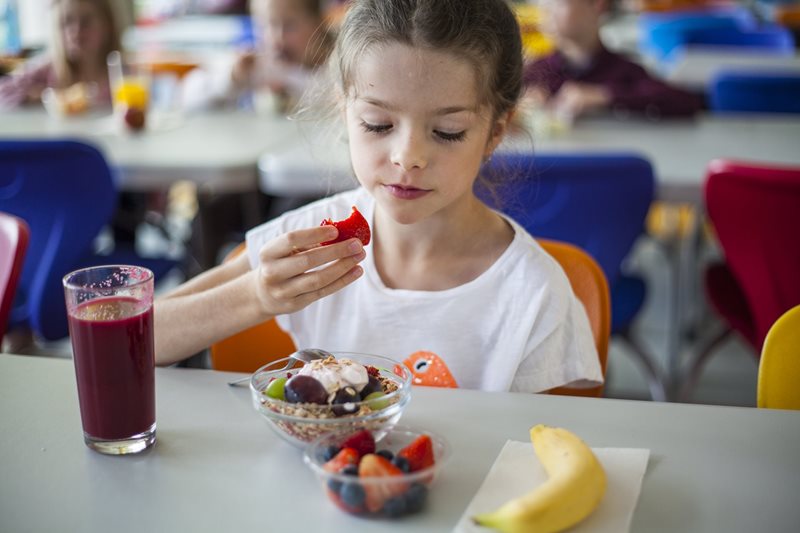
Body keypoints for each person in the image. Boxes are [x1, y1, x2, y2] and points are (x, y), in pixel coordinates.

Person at [155, 0, 603, 394]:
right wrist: (256, 297)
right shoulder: (311, 241)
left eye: (448, 132)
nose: (408, 157)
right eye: (377, 124)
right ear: (345, 113)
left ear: (494, 133)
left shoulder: (533, 295)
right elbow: (136, 338)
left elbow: (546, 455)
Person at [524, 0, 705, 122]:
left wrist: (604, 95)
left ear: (597, 5)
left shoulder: (624, 72)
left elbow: (685, 102)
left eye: (559, 3)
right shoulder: (533, 73)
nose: (547, 12)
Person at [181, 0, 334, 113]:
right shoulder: (255, 65)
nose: (277, 37)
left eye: (289, 25)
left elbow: (333, 103)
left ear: (318, 22)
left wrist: (291, 78)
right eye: (268, 24)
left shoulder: (337, 63)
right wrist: (232, 78)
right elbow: (188, 99)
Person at [0, 0, 120, 110]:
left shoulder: (123, 74)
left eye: (86, 21)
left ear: (107, 25)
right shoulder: (47, 70)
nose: (76, 31)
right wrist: (42, 96)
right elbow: (3, 91)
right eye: (67, 21)